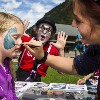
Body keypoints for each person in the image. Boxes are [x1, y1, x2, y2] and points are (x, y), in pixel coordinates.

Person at [23, 0, 100, 99]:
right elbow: (77, 65)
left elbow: (63, 71)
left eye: (78, 20)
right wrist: (42, 55)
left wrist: (59, 50)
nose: (73, 24)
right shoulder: (97, 49)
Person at [16, 17, 68, 82]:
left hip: (36, 80)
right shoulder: (27, 40)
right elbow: (9, 49)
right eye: (42, 28)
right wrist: (18, 35)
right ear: (36, 30)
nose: (45, 32)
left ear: (51, 35)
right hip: (19, 76)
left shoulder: (52, 49)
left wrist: (61, 50)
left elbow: (61, 71)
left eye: (49, 30)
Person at [0, 12, 24, 100]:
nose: (20, 42)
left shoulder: (7, 63)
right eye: (16, 37)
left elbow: (12, 92)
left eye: (21, 38)